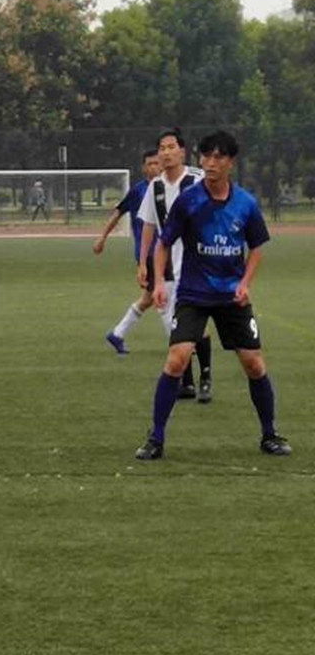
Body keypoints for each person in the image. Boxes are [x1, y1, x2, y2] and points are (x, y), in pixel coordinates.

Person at [135, 131, 290, 460]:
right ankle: (156, 438)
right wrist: (159, 282)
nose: (210, 163)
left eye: (218, 157)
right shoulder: (189, 201)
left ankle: (270, 434)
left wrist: (245, 282)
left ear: (230, 162)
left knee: (254, 364)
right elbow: (163, 243)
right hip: (193, 294)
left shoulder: (245, 203)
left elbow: (257, 247)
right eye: (205, 156)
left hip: (232, 297)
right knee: (176, 360)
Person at [137, 128, 214, 402]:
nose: (166, 152)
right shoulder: (155, 187)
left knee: (197, 321)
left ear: (182, 151)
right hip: (167, 266)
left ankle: (205, 377)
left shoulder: (197, 180)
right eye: (162, 148)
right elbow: (148, 226)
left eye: (171, 147)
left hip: (197, 262)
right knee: (175, 323)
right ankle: (187, 381)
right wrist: (143, 263)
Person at [94, 149, 161, 354]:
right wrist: (103, 237)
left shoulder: (167, 188)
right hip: (149, 254)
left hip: (166, 251)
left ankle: (117, 334)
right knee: (165, 294)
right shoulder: (138, 191)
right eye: (150, 164)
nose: (154, 167)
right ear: (144, 168)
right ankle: (183, 341)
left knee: (149, 298)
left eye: (156, 163)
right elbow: (118, 213)